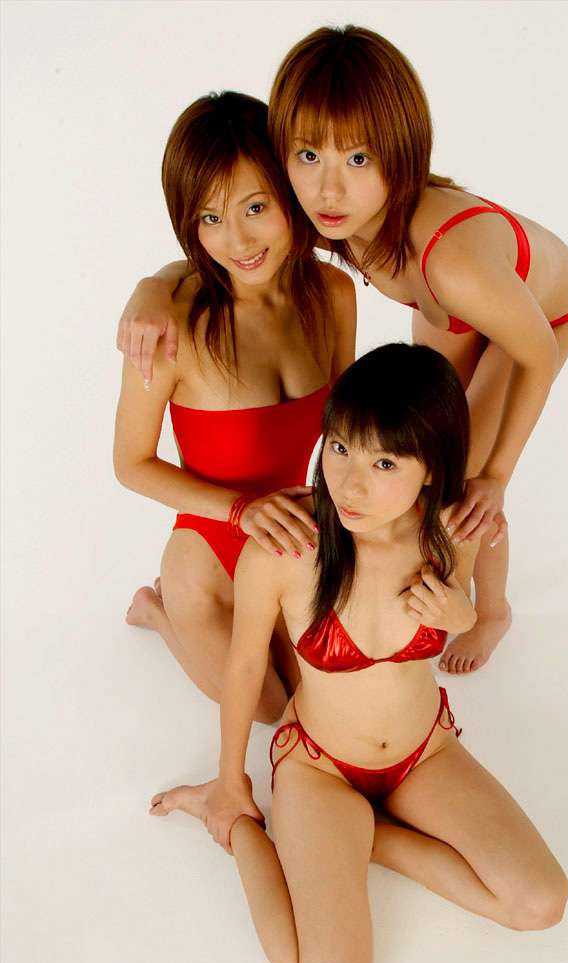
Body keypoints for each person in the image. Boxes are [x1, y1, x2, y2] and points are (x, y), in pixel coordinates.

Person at [117, 25, 568, 676]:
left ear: (399, 152)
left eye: (359, 159)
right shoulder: (324, 216)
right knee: (432, 452)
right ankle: (166, 612)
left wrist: (497, 479)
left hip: (534, 314)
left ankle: (491, 611)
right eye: (309, 157)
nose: (329, 190)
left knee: (457, 477)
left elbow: (535, 353)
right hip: (446, 303)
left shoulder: (442, 265)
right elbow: (229, 243)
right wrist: (152, 286)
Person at [149, 344, 568, 963]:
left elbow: (470, 596)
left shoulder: (452, 533)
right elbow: (246, 667)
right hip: (321, 769)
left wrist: (463, 617)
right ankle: (239, 834)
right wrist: (231, 786)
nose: (349, 484)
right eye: (340, 448)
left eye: (384, 464)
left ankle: (372, 835)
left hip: (425, 754)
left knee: (539, 903)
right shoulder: (287, 548)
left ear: (432, 469)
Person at [113, 92, 355, 721]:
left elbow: (347, 430)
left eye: (256, 207)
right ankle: (161, 612)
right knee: (272, 709)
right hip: (210, 554)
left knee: (325, 698)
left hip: (294, 540)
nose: (238, 240)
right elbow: (131, 464)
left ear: (289, 193)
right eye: (210, 218)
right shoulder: (169, 325)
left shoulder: (331, 293)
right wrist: (242, 511)